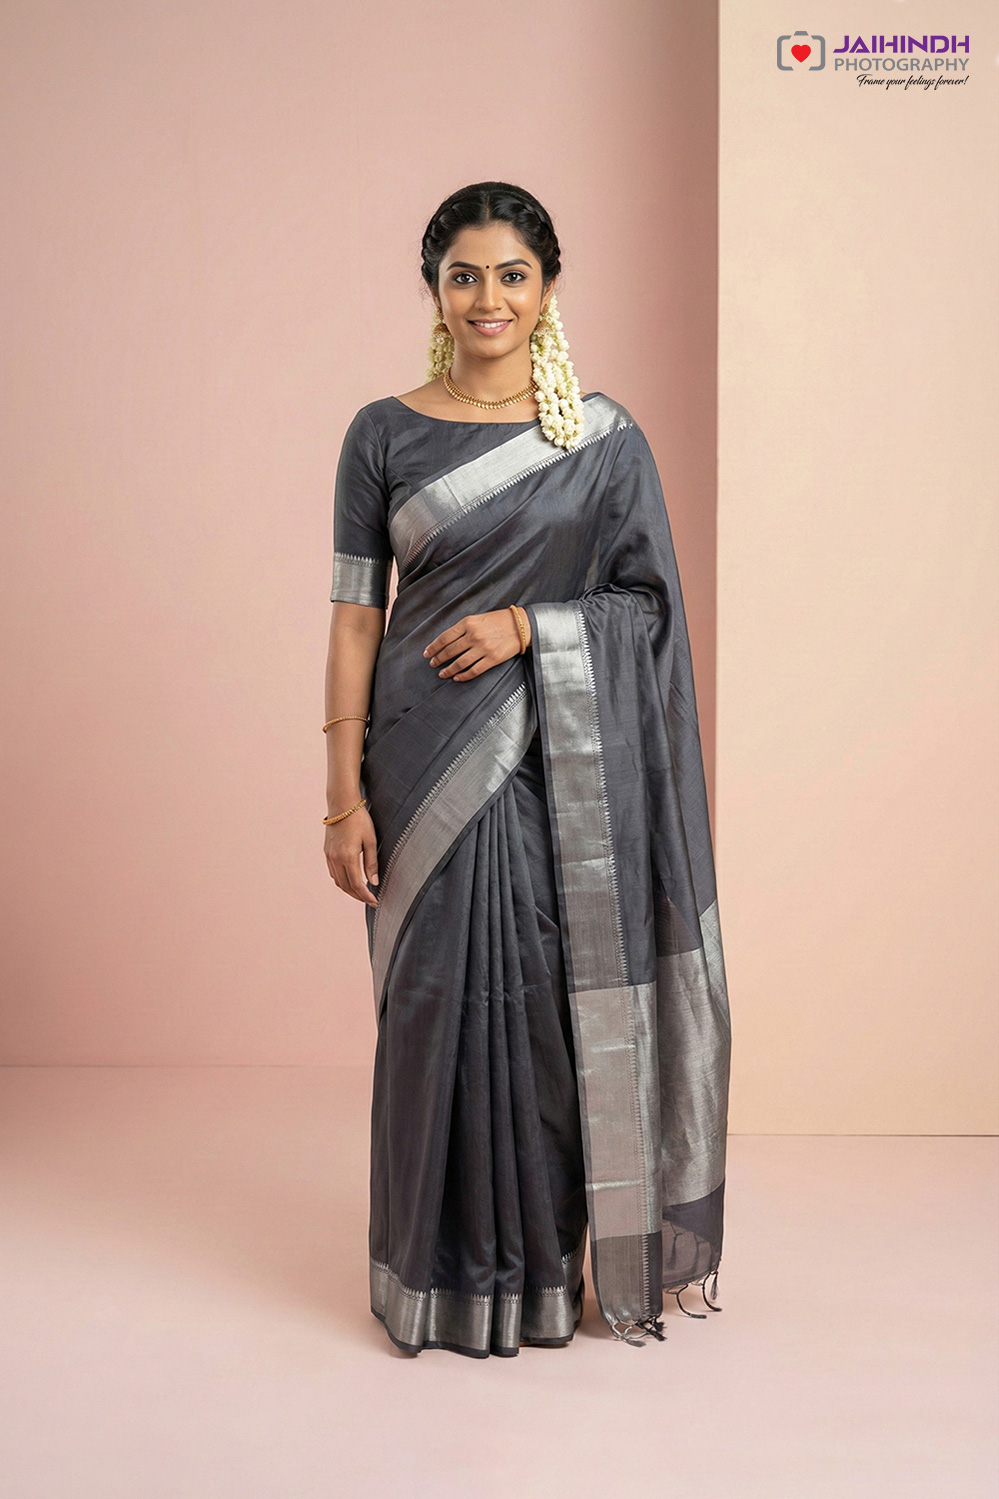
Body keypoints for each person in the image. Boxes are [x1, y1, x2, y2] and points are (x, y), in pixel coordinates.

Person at [322, 181, 732, 1359]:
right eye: (464, 275)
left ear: (548, 288)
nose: (487, 297)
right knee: (429, 1015)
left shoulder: (600, 440)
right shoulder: (380, 433)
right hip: (415, 764)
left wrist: (526, 627)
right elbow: (354, 619)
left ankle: (543, 1279)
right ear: (434, 290)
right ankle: (430, 1278)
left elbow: (646, 608)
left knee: (546, 1018)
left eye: (512, 274)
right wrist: (340, 796)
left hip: (555, 775)